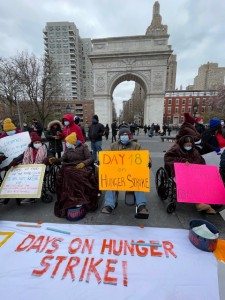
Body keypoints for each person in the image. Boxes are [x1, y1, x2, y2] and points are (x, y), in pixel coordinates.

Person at [101, 125, 149, 216]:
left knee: (138, 183)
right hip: (118, 173)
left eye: (126, 134)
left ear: (130, 136)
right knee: (110, 183)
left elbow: (145, 157)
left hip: (132, 173)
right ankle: (109, 204)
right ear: (119, 136)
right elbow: (106, 156)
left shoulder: (136, 146)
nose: (124, 136)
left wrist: (148, 162)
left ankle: (141, 205)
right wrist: (101, 161)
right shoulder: (113, 146)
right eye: (122, 135)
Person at [49, 132, 99, 218]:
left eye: (67, 142)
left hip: (81, 166)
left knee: (78, 177)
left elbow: (90, 158)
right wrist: (56, 160)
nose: (66, 144)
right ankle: (70, 198)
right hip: (69, 167)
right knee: (64, 175)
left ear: (72, 142)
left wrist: (83, 163)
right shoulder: (68, 149)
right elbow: (62, 159)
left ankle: (78, 198)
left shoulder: (83, 147)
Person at [164, 135, 216, 214]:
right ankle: (199, 203)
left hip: (192, 172)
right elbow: (168, 158)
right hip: (178, 172)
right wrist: (182, 161)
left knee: (202, 180)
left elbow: (201, 161)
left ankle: (204, 203)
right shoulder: (176, 149)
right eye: (186, 145)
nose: (188, 147)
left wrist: (194, 164)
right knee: (192, 182)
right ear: (182, 144)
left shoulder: (194, 151)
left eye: (190, 145)